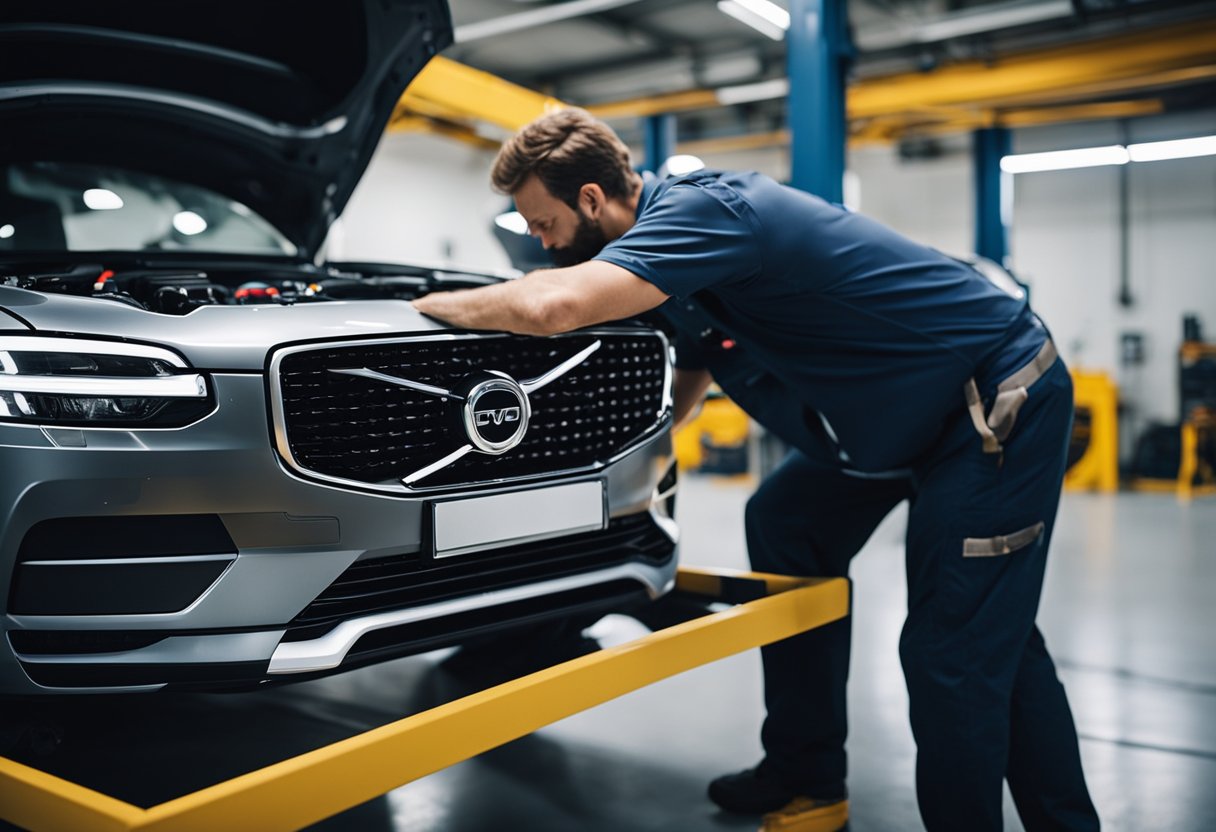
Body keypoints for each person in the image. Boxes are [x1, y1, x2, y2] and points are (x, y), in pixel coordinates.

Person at [412, 108, 1100, 832]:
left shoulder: (706, 212)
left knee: (957, 653)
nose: (542, 242)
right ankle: (804, 769)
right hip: (897, 419)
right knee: (784, 522)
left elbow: (553, 307)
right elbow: (688, 382)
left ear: (591, 200)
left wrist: (430, 307)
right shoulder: (670, 267)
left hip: (989, 401)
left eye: (543, 223)